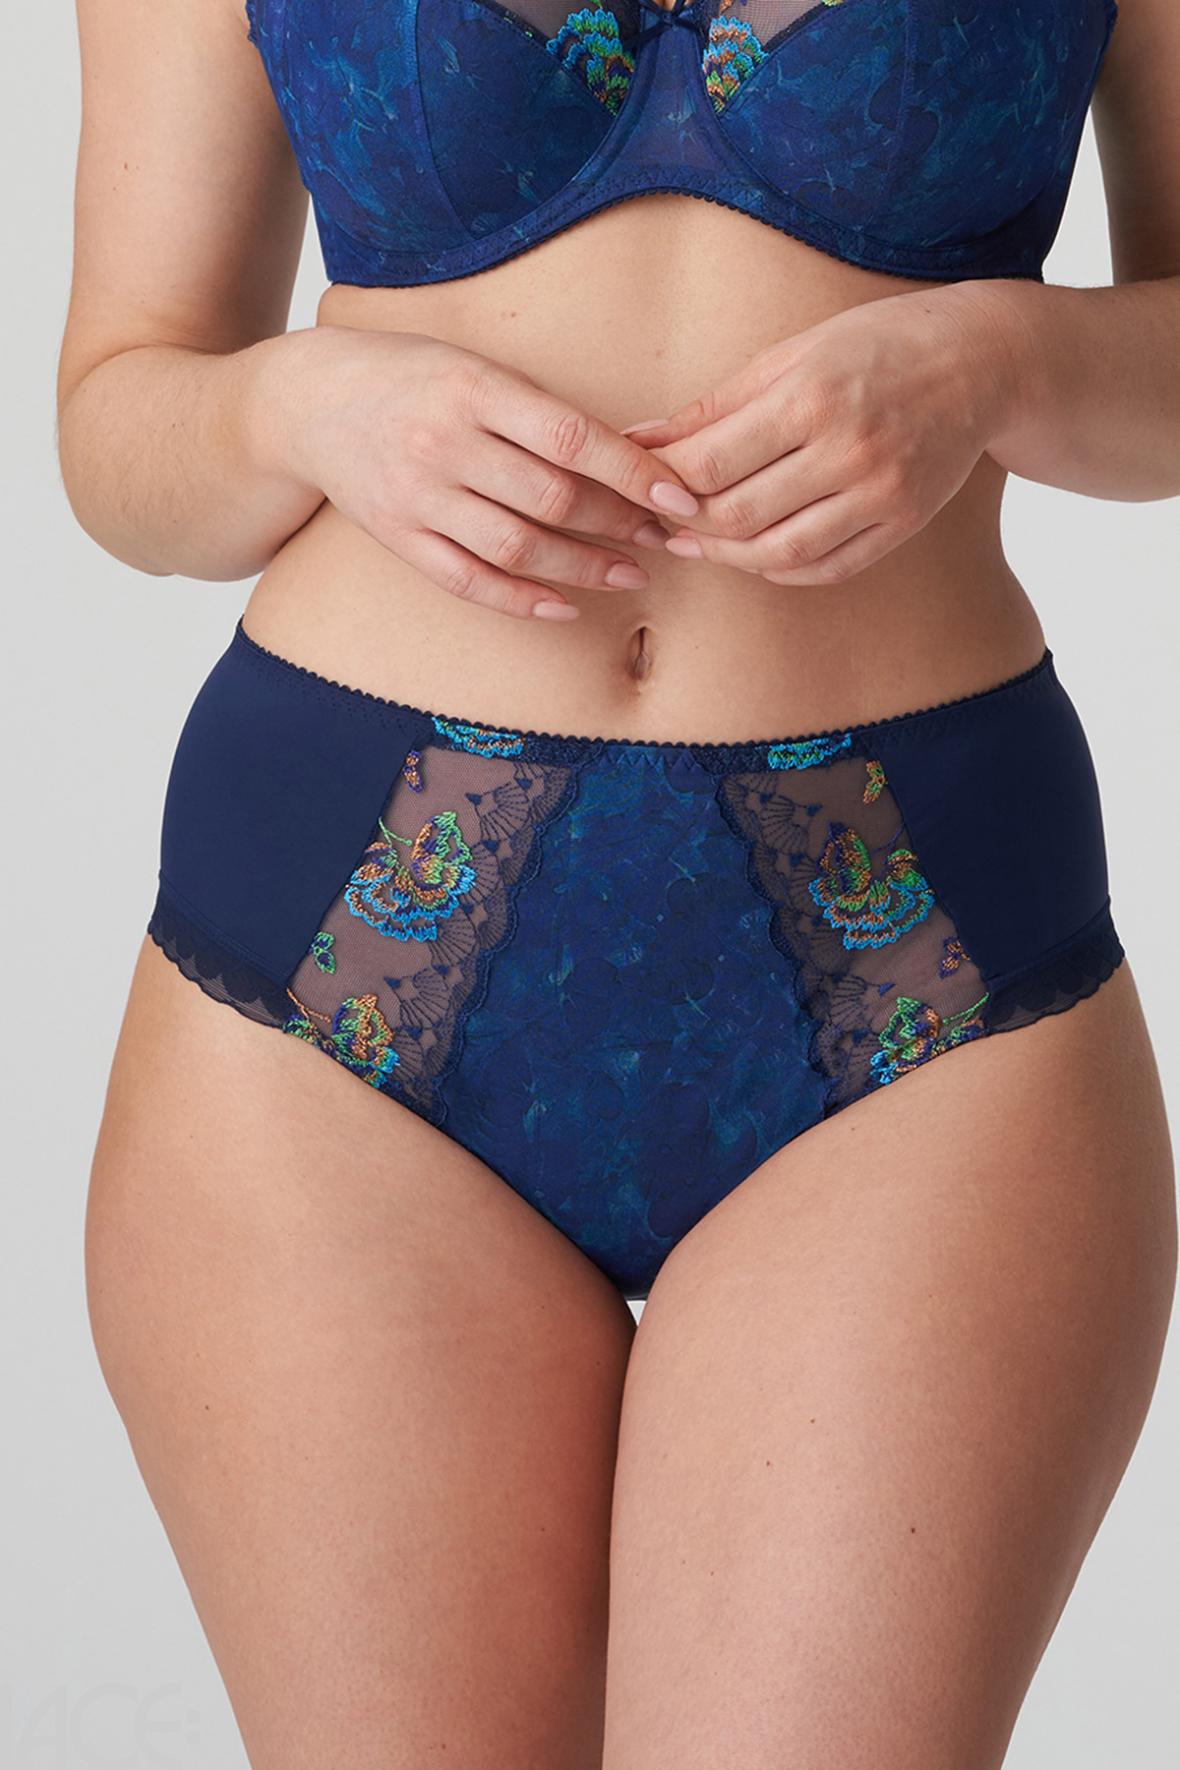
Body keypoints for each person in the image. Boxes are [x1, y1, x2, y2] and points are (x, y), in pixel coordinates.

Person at [58, 0, 1176, 1765]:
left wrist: (997, 363)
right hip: (335, 1005)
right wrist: (297, 407)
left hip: (922, 975)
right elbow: (120, 414)